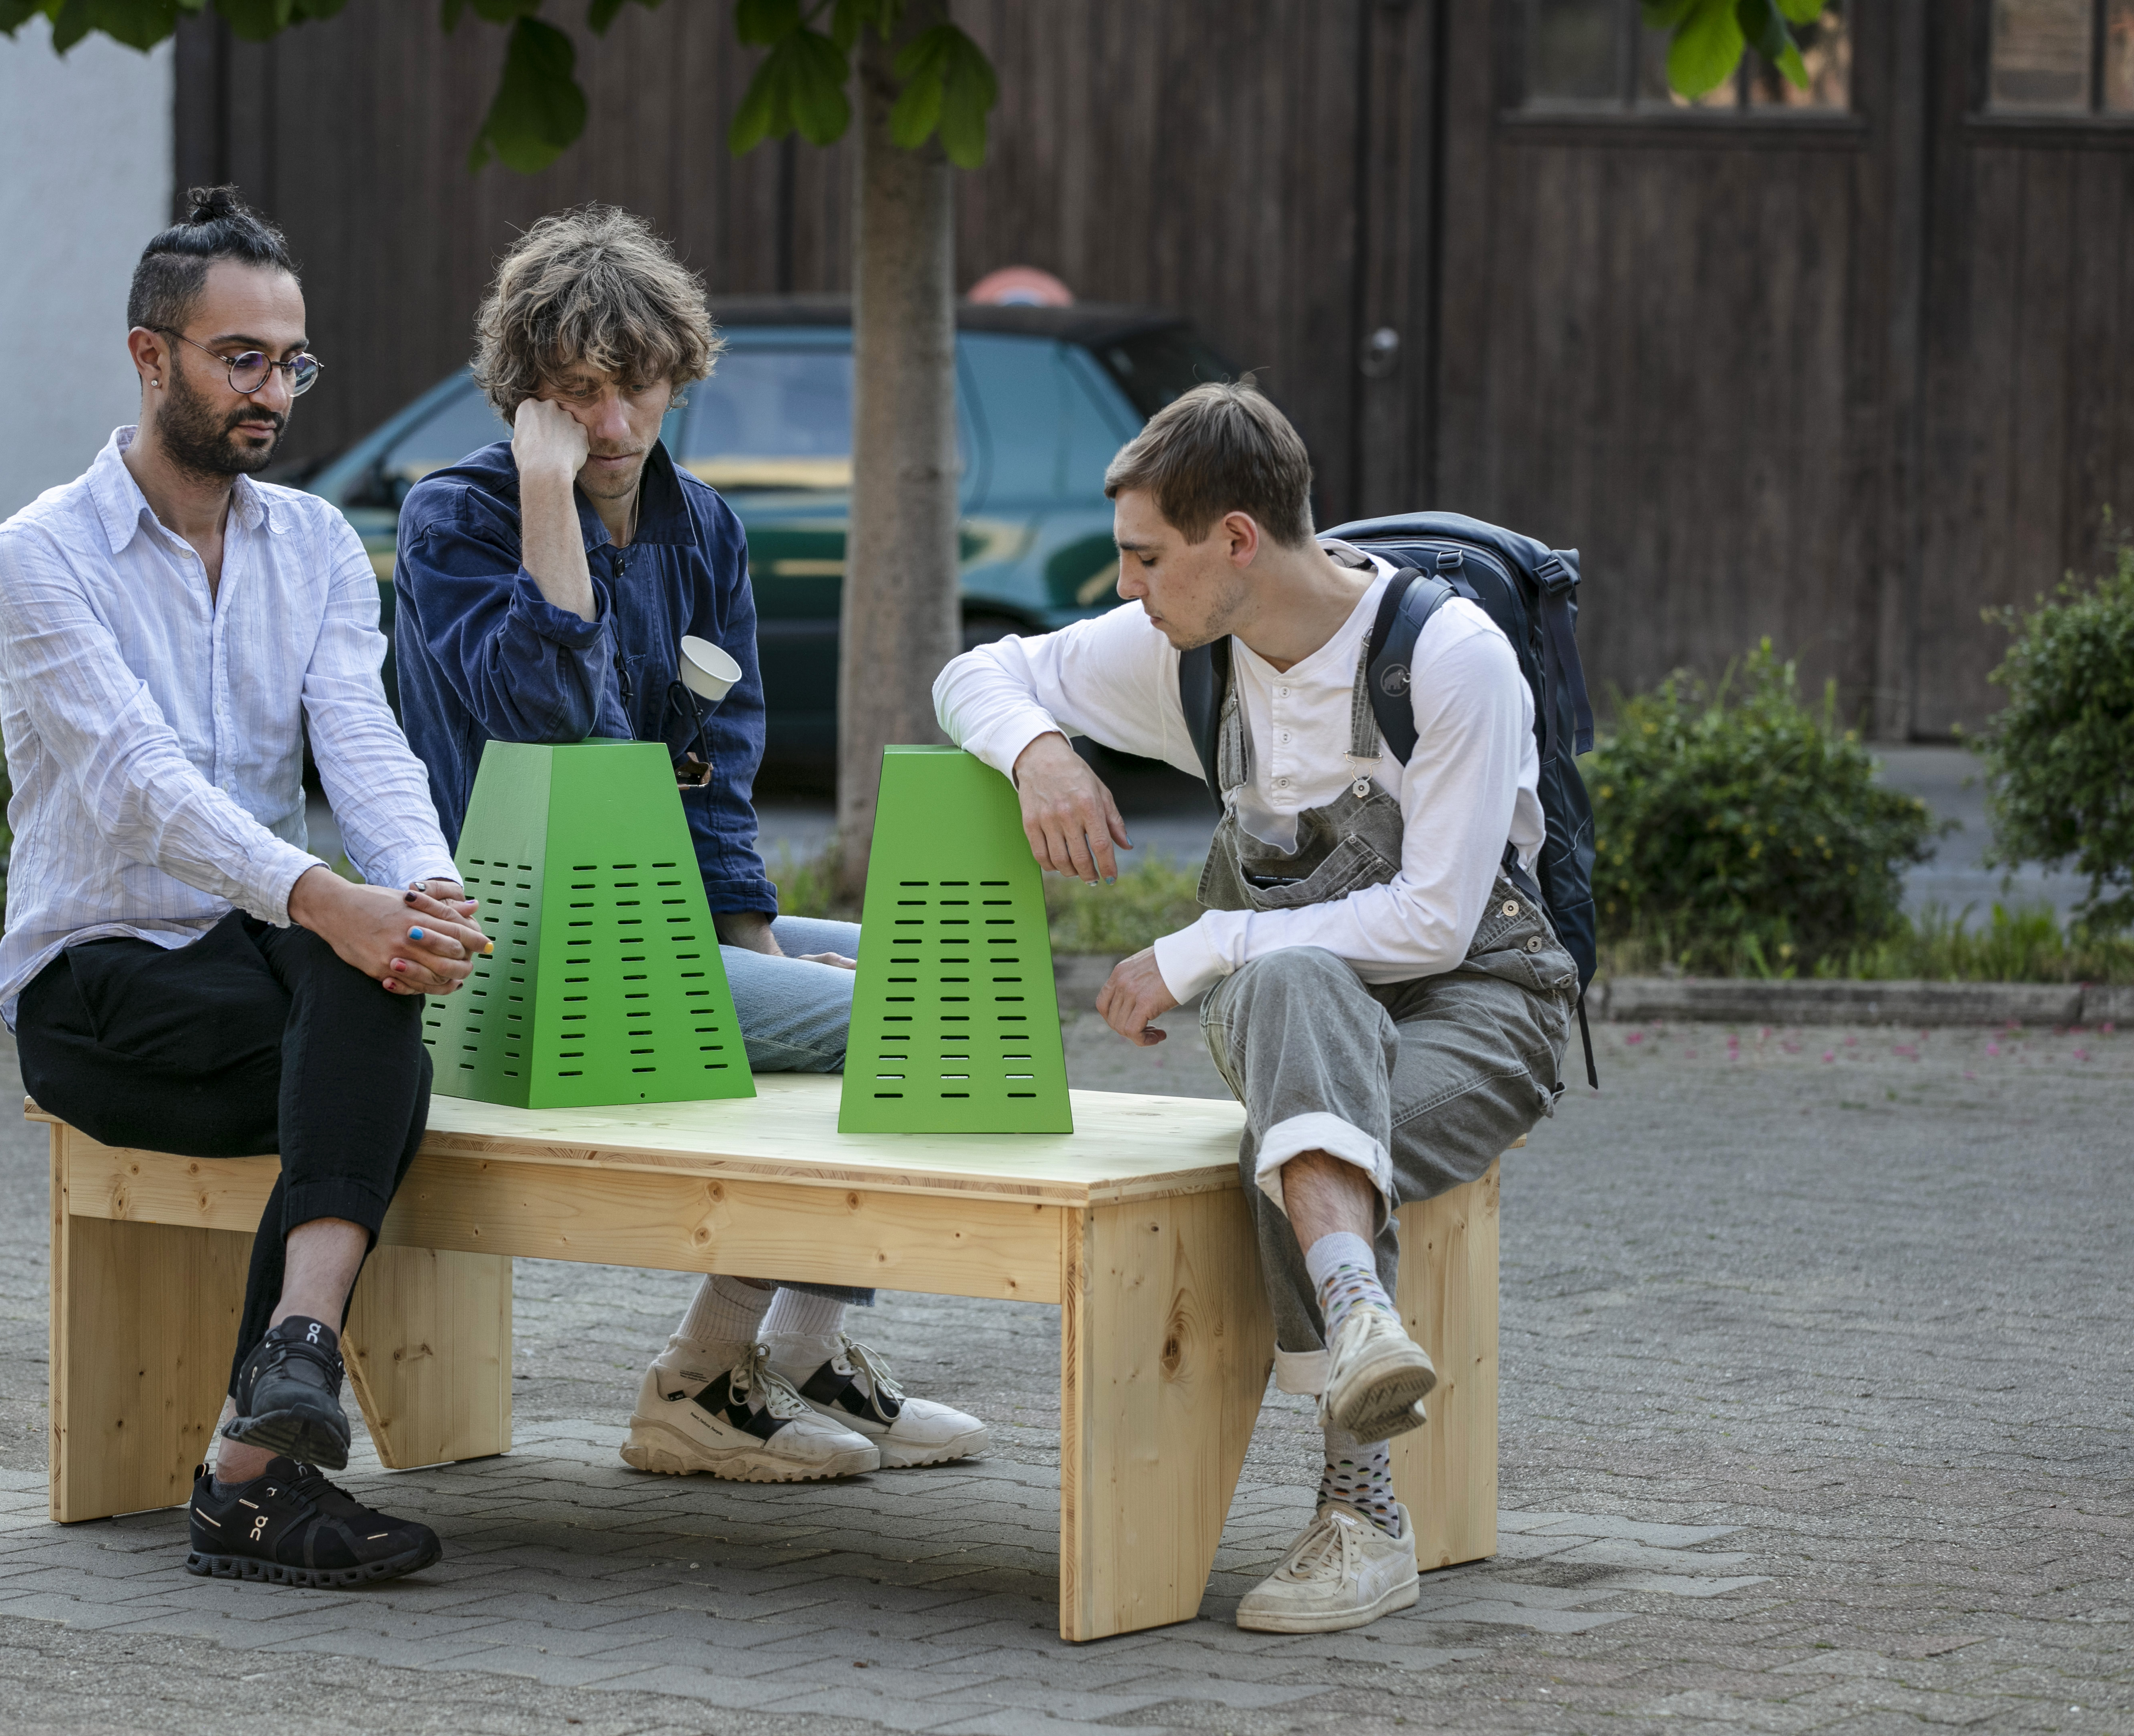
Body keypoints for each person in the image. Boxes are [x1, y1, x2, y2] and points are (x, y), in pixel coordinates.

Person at [933, 381, 1575, 1634]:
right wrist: (1040, 751)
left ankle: (1362, 1499)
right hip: (1300, 1022)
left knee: (1286, 1121)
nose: (1124, 588)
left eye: (1143, 556)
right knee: (1294, 1001)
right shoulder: (1182, 653)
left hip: (1486, 1007)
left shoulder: (1447, 657)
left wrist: (1211, 939)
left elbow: (1436, 923)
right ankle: (1359, 1355)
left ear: (1235, 540)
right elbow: (976, 671)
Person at [389, 205, 987, 1484]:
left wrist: (757, 941)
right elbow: (557, 728)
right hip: (518, 944)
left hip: (649, 923)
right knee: (898, 1016)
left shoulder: (701, 527)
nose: (614, 428)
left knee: (921, 970)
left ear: (678, 376)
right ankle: (704, 1375)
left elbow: (720, 768)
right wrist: (546, 501)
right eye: (578, 396)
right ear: (527, 399)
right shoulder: (454, 522)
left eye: (639, 389)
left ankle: (804, 1349)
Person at [0, 187, 492, 1589]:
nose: (274, 391)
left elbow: (365, 741)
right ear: (152, 359)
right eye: (241, 359)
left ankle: (286, 1386)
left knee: (371, 980)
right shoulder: (43, 554)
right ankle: (266, 1455)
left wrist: (427, 886)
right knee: (357, 1028)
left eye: (292, 361)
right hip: (102, 987)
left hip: (260, 966)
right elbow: (138, 782)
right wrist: (330, 899)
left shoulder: (317, 545)